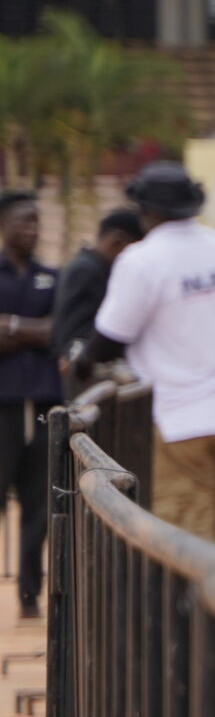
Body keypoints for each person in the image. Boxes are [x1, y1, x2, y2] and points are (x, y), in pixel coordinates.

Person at [84, 162, 215, 545]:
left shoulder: (142, 259)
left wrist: (83, 361)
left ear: (145, 210)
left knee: (185, 548)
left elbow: (111, 337)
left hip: (182, 420)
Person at [0, 193, 58, 622]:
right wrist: (34, 332)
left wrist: (11, 326)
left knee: (38, 503)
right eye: (24, 221)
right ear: (5, 225)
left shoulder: (51, 278)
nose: (32, 229)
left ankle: (29, 593)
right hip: (1, 406)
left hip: (43, 403)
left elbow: (58, 331)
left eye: (36, 222)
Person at [50, 208, 141, 390]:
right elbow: (75, 333)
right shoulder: (86, 270)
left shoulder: (100, 269)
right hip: (86, 377)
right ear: (117, 242)